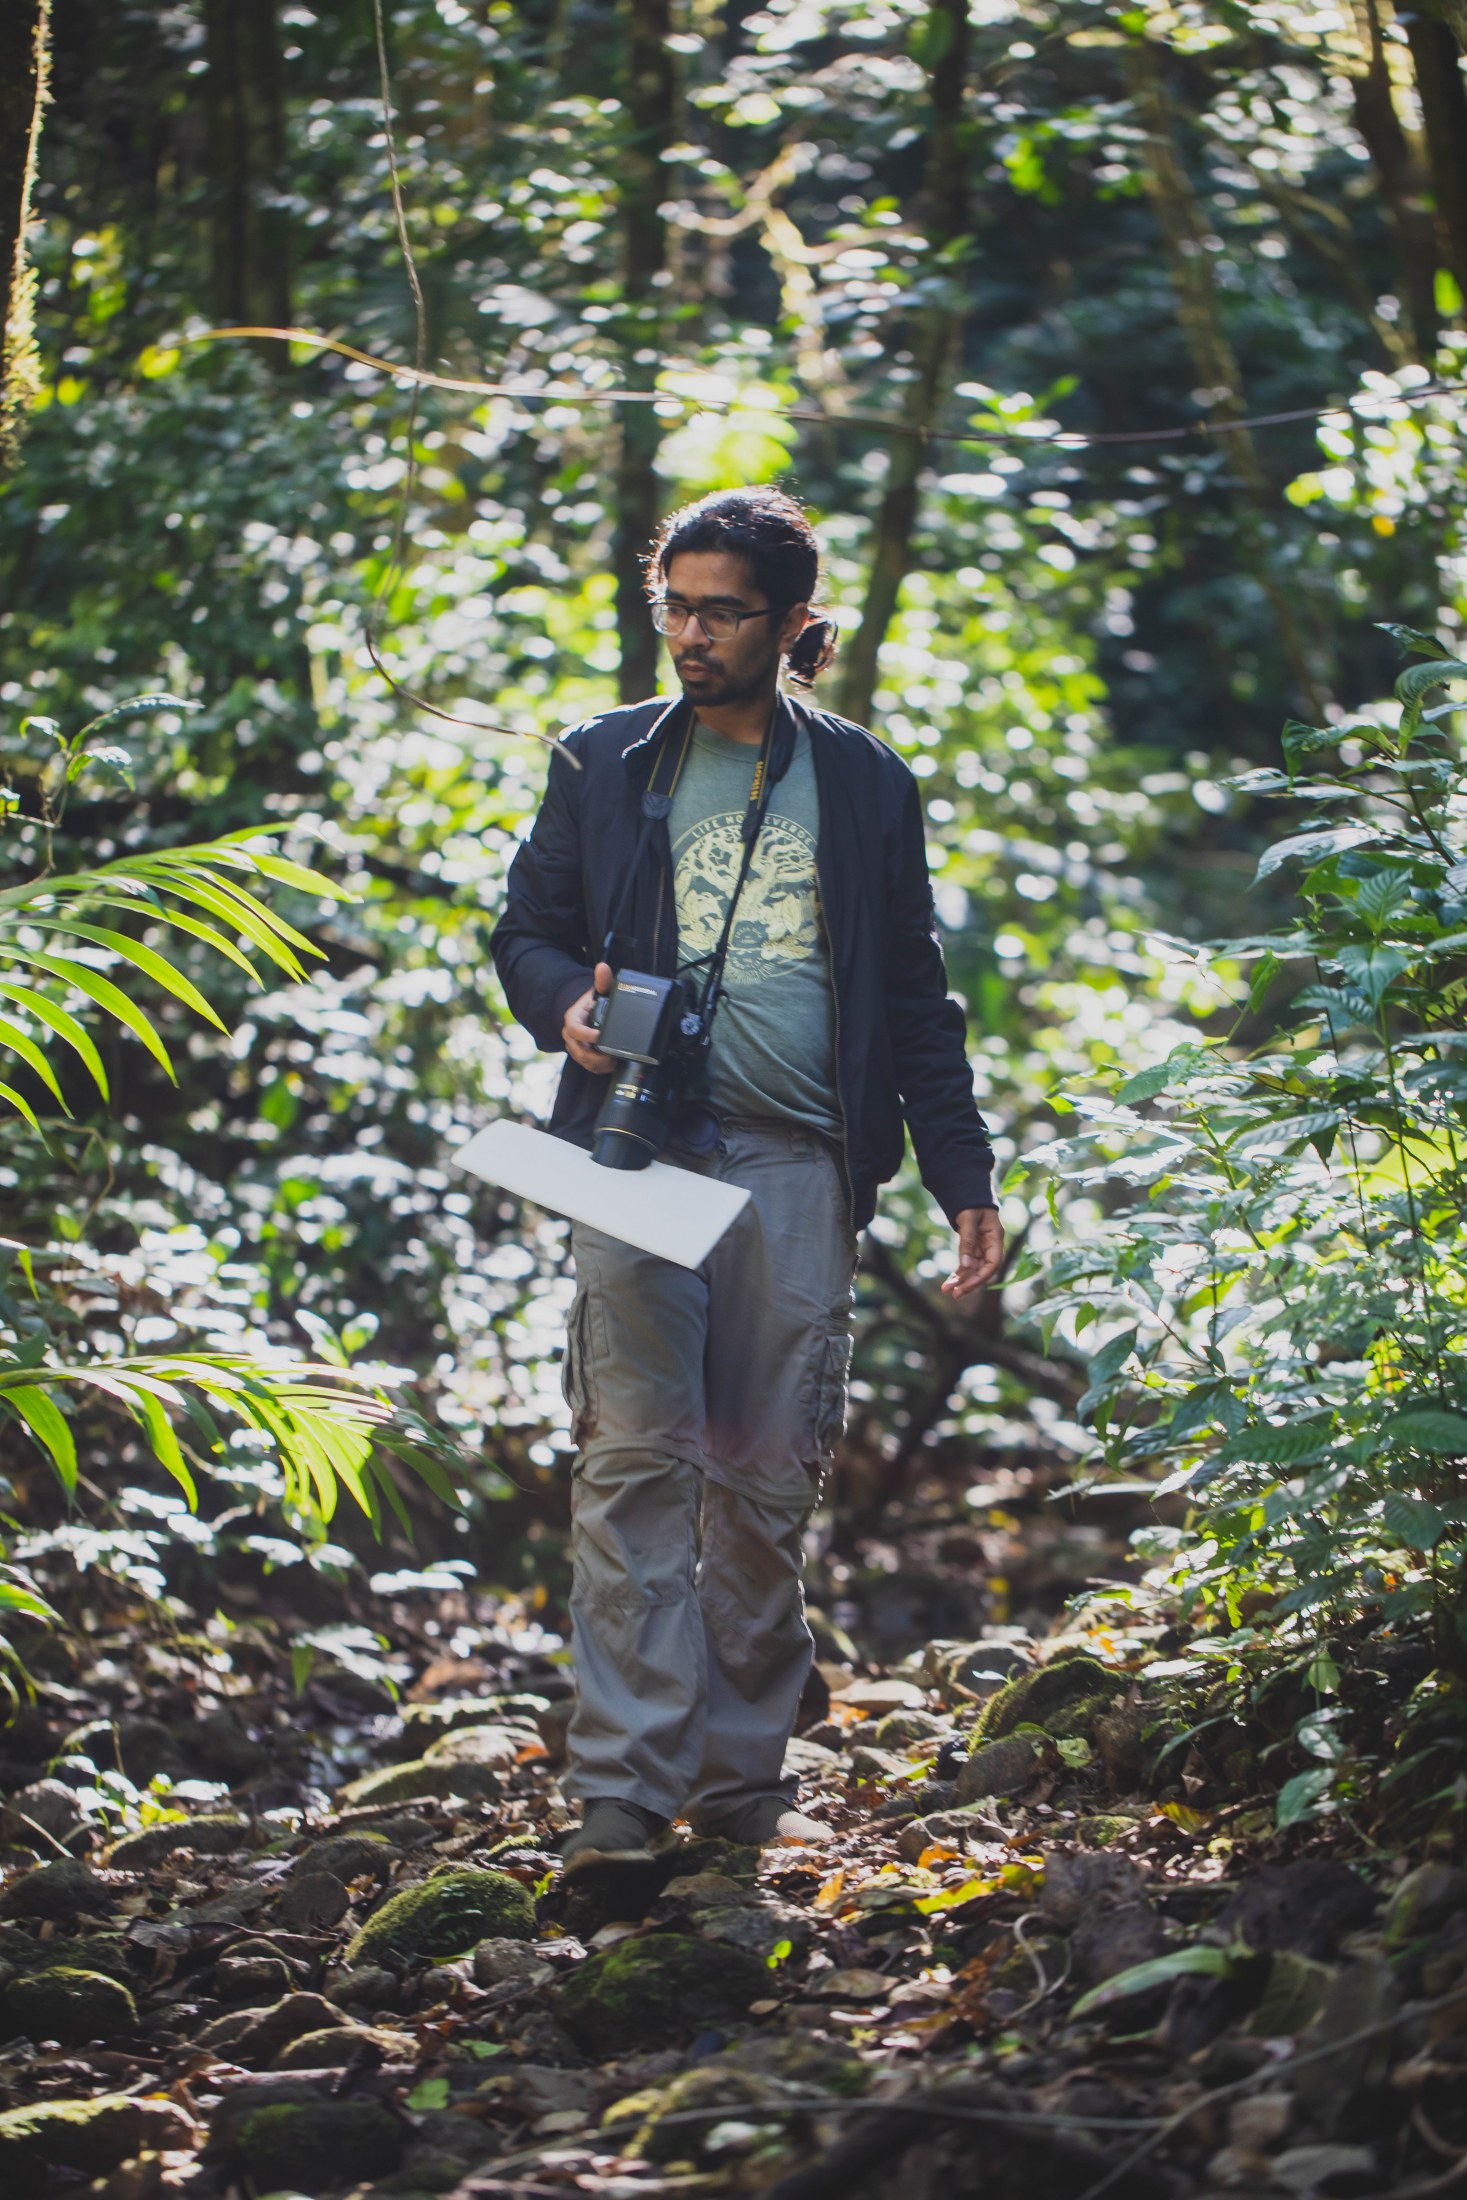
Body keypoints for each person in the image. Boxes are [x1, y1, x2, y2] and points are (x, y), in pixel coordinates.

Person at [490, 486, 1003, 1866]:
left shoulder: (867, 783)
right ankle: (618, 1795)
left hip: (799, 1163)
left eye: (724, 612)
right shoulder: (607, 762)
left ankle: (737, 1783)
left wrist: (964, 1172)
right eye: (677, 605)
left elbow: (912, 994)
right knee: (634, 1469)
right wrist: (566, 1011)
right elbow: (524, 931)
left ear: (790, 624)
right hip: (637, 1151)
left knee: (768, 1483)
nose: (693, 635)